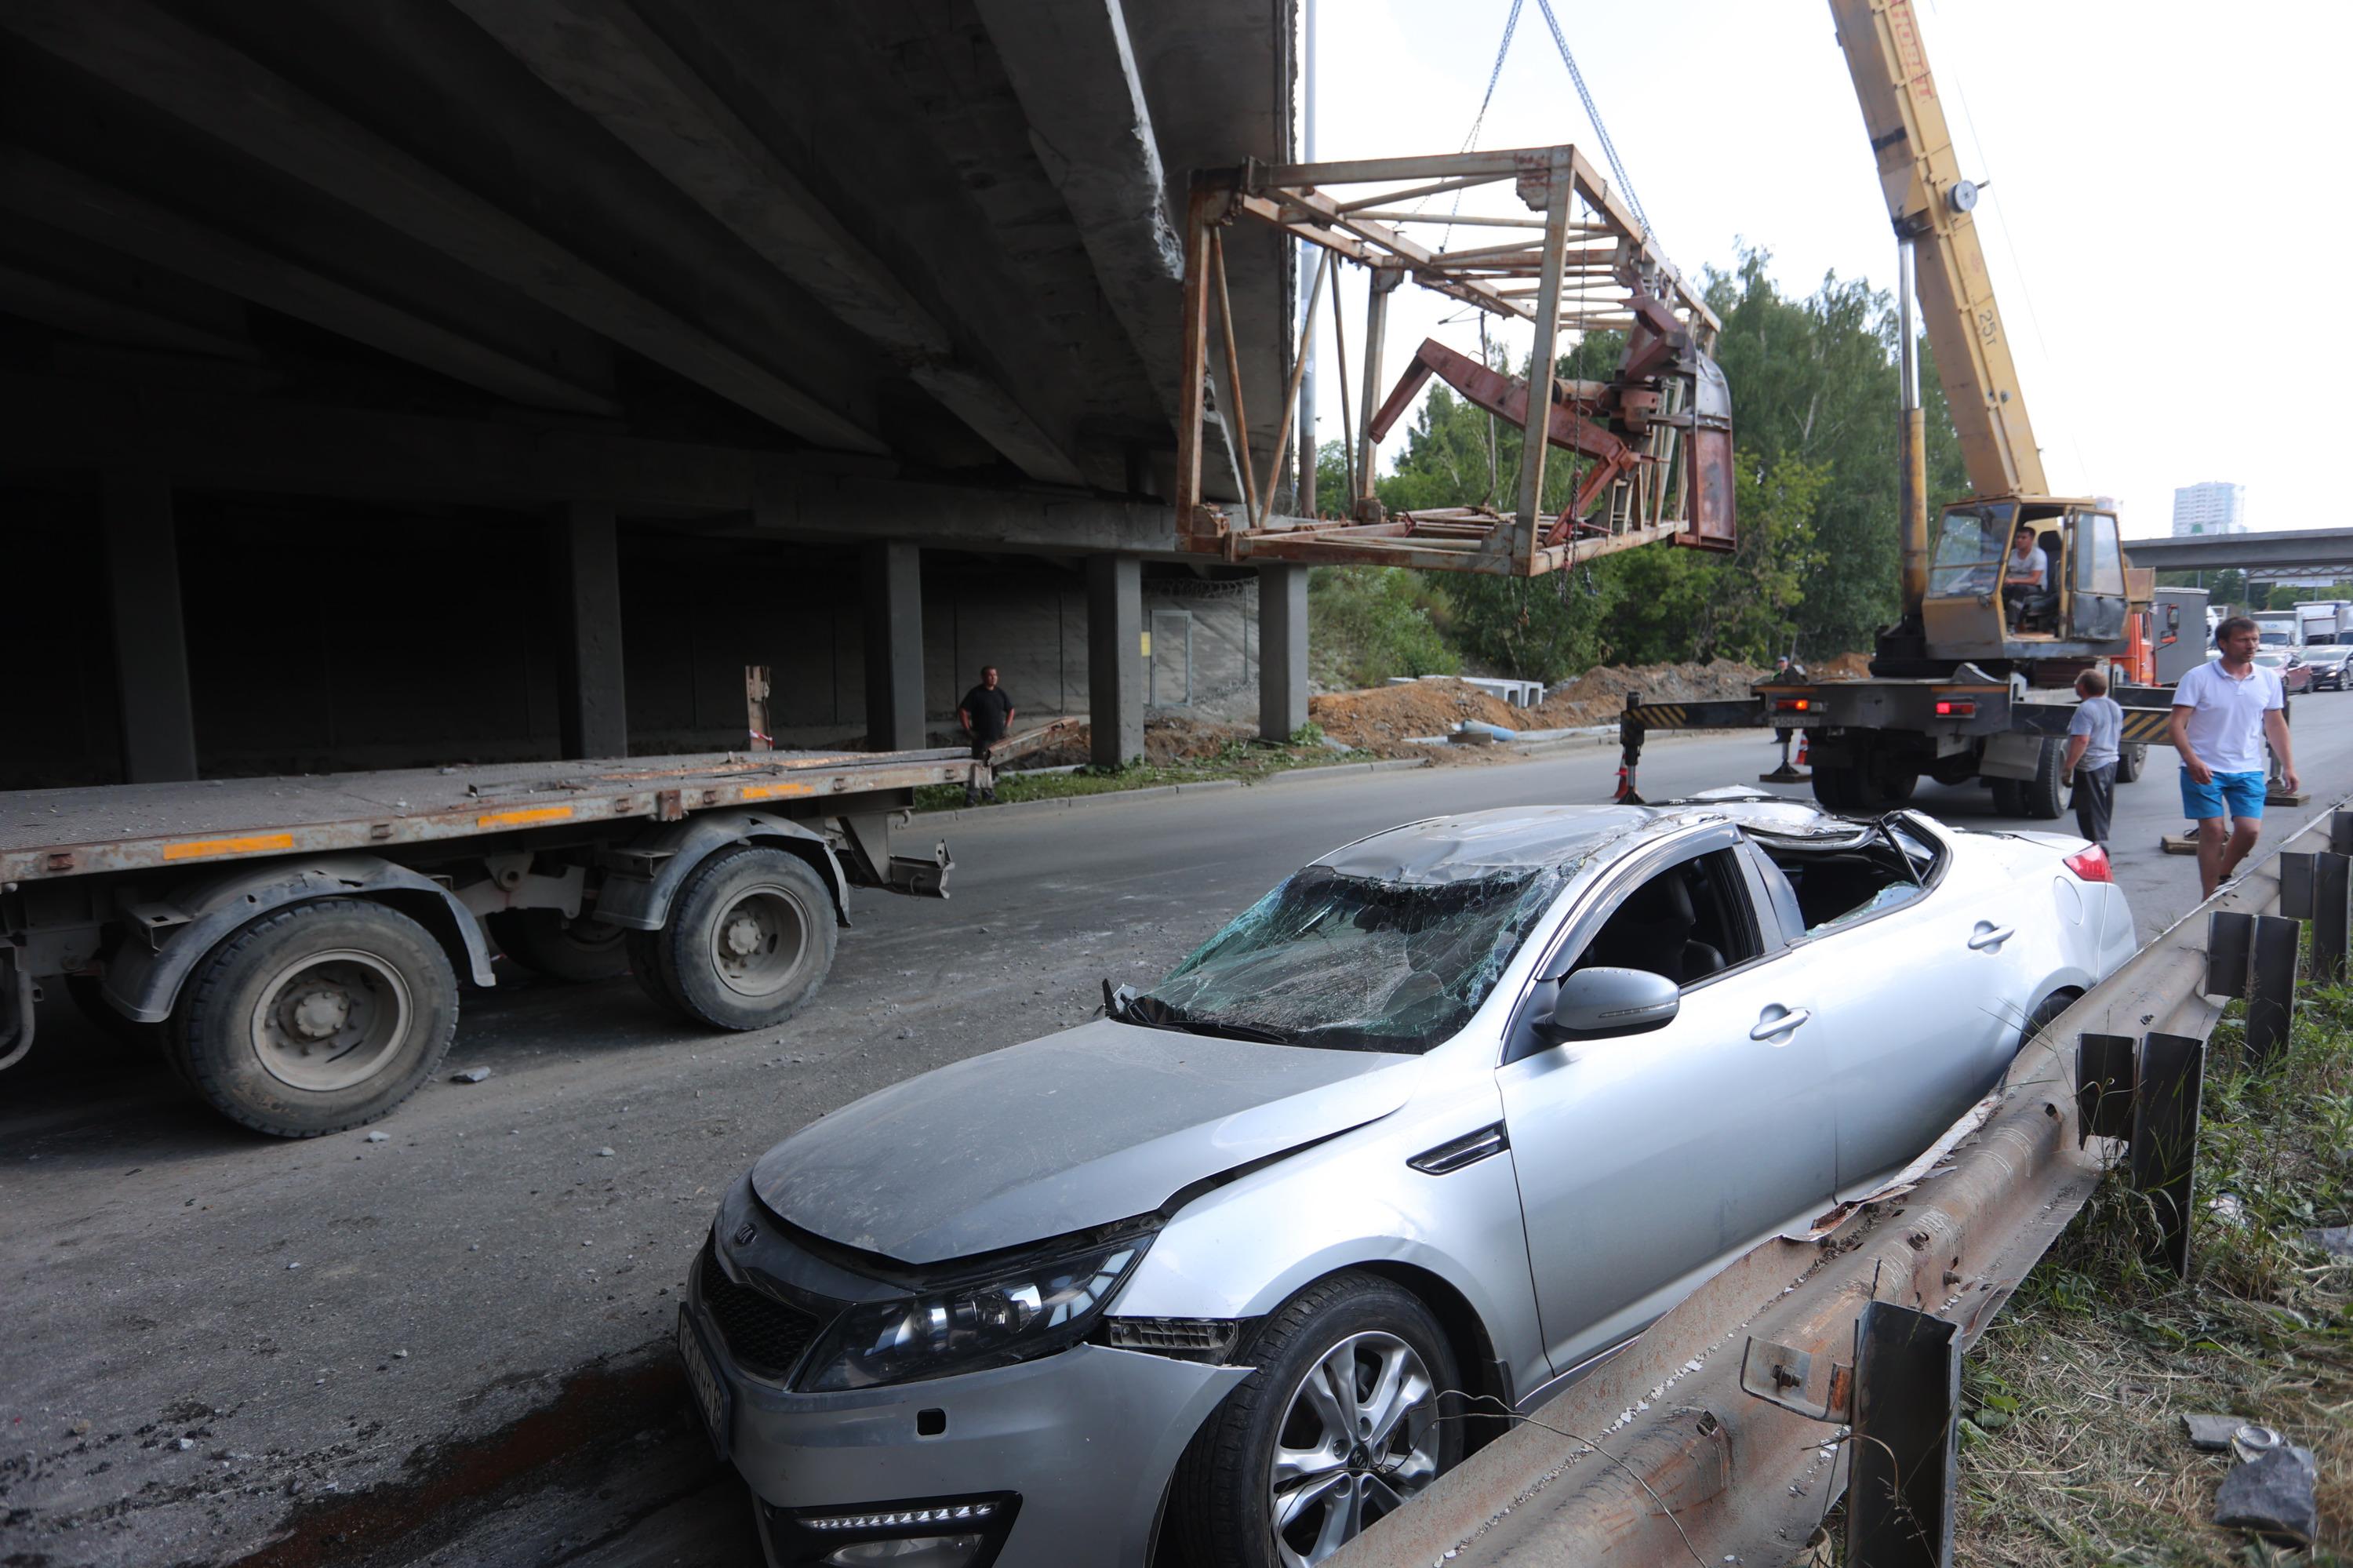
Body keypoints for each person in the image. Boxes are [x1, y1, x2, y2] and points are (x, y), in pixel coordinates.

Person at [2170, 616, 2300, 898]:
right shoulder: (2198, 677)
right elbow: (2176, 724)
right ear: (2223, 643)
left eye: (2254, 639)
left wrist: (2289, 766)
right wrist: (2192, 760)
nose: (2251, 645)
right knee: (2214, 832)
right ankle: (2208, 896)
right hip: (2203, 768)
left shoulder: (2267, 678)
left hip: (2248, 768)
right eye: (2243, 640)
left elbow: (2275, 725)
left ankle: (2222, 874)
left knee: (2250, 831)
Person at [2062, 668, 2122, 848]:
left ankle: (2100, 854)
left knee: (2090, 814)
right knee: (2102, 811)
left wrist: (2068, 768)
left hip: (2092, 766)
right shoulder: (2114, 706)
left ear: (2081, 687)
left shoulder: (2086, 708)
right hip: (2110, 762)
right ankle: (2100, 848)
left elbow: (2082, 740)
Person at [957, 666, 1016, 805]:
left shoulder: (1000, 693)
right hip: (982, 738)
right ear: (983, 677)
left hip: (997, 738)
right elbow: (963, 710)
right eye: (990, 675)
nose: (993, 678)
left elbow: (1011, 709)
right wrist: (968, 730)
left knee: (993, 766)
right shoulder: (976, 693)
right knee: (979, 765)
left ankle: (988, 794)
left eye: (995, 675)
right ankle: (971, 796)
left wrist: (1007, 726)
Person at [2003, 525, 2050, 631]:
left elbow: (2034, 580)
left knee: (2020, 588)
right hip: (2012, 584)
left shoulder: (2038, 555)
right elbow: (2003, 573)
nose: (2019, 540)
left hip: (2035, 588)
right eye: (2017, 537)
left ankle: (2012, 624)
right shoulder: (2011, 554)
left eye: (2023, 538)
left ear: (2031, 540)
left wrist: (2012, 580)